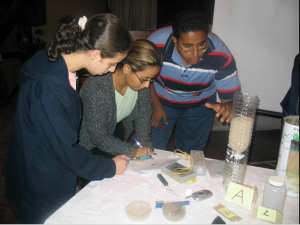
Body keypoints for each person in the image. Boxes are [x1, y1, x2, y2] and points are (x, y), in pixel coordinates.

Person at [2, 14, 132, 224]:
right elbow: (66, 149)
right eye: (112, 63)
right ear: (95, 53)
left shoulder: (57, 63)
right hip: (41, 181)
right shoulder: (51, 91)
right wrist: (109, 167)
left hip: (49, 166)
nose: (112, 70)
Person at [147, 10, 241, 154]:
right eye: (188, 47)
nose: (196, 54)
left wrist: (228, 107)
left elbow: (231, 99)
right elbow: (145, 78)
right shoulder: (155, 44)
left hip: (200, 105)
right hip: (161, 100)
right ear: (175, 40)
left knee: (189, 157)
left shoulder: (220, 54)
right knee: (150, 151)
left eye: (202, 44)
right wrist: (155, 104)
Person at [79, 39, 163, 187]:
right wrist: (133, 151)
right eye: (144, 79)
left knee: (120, 181)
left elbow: (143, 116)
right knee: (96, 187)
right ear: (126, 68)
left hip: (111, 129)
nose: (147, 85)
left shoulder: (140, 85)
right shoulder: (97, 89)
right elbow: (99, 137)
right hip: (88, 143)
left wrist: (144, 144)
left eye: (151, 80)